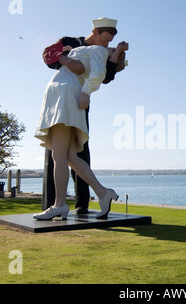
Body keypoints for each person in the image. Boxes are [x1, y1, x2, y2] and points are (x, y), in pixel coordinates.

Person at [33, 17, 128, 220]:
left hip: (66, 97)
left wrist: (117, 53)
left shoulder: (100, 52)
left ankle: (60, 204)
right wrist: (66, 56)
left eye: (110, 43)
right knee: (70, 156)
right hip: (65, 97)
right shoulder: (76, 45)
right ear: (94, 31)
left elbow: (104, 74)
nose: (107, 44)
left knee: (59, 155)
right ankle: (103, 193)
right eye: (104, 38)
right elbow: (49, 54)